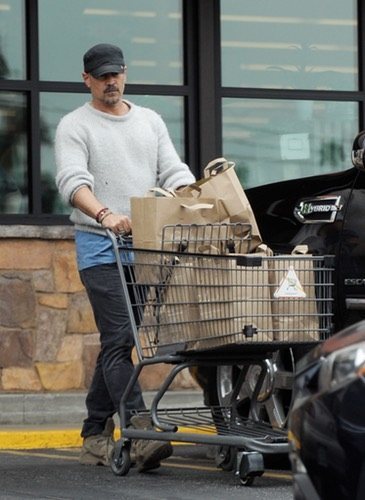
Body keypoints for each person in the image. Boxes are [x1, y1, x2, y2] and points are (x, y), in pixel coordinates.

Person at [55, 43, 195, 471]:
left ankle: (94, 432)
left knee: (116, 341)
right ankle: (140, 429)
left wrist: (195, 195)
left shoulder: (149, 121)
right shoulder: (74, 125)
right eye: (102, 76)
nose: (110, 82)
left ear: (125, 73)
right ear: (87, 80)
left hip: (144, 248)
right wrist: (104, 213)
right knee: (120, 337)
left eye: (116, 74)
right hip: (99, 247)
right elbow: (70, 181)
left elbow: (172, 171)